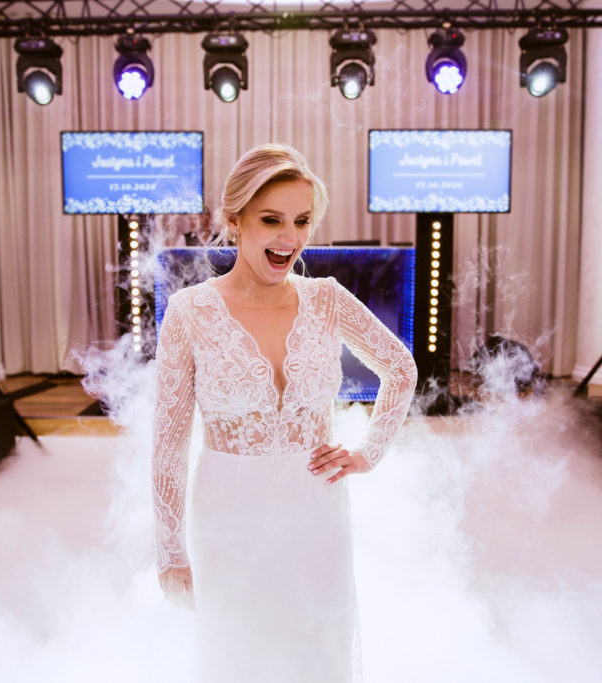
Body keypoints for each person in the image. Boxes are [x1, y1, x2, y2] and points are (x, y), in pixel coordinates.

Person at [152, 143, 417, 681]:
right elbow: (169, 444)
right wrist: (170, 554)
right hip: (228, 516)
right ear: (234, 221)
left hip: (316, 512)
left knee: (318, 653)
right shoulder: (189, 311)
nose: (290, 238)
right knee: (237, 656)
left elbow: (400, 367)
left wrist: (369, 453)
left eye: (302, 221)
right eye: (271, 220)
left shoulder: (327, 298)